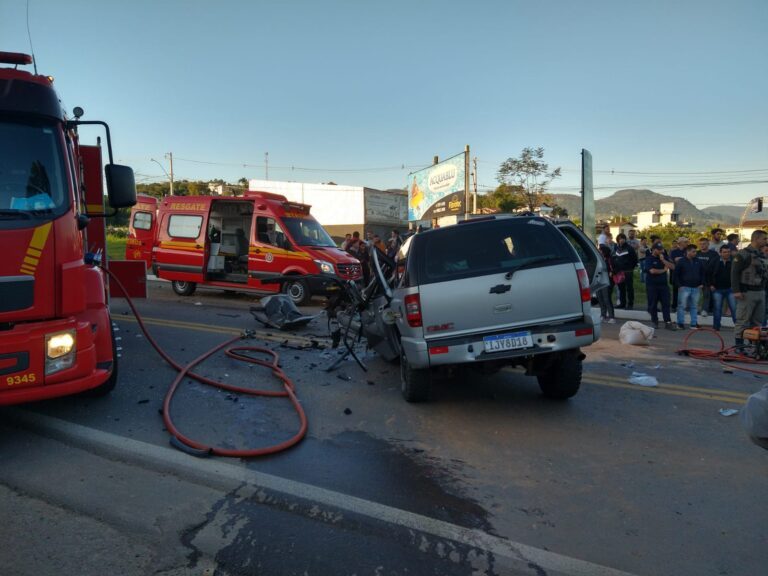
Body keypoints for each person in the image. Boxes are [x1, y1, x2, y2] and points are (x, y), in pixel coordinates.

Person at [732, 230, 768, 347]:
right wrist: (736, 291)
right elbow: (735, 273)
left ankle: (754, 346)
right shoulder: (743, 254)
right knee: (743, 320)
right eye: (764, 239)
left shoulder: (761, 255)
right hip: (747, 292)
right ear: (756, 239)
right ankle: (739, 346)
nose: (766, 241)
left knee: (757, 322)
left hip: (760, 292)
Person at [644, 241, 677, 330]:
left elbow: (673, 267)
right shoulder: (649, 258)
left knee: (666, 304)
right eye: (659, 250)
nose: (661, 251)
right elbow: (652, 271)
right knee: (653, 304)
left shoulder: (664, 257)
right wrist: (663, 270)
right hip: (652, 285)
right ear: (654, 250)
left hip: (664, 285)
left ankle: (668, 322)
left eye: (661, 249)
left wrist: (663, 260)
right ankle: (654, 322)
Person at [675, 243, 705, 329]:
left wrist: (702, 283)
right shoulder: (681, 261)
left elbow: (702, 273)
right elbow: (676, 274)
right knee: (682, 306)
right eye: (693, 251)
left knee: (694, 306)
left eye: (695, 251)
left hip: (696, 287)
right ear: (688, 252)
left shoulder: (698, 261)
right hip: (684, 287)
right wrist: (679, 285)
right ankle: (680, 323)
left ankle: (693, 323)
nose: (695, 253)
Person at [709, 245, 736, 331]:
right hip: (717, 289)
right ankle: (716, 327)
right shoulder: (714, 261)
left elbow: (738, 274)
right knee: (717, 309)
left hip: (730, 289)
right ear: (720, 253)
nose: (727, 254)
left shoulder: (734, 261)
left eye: (728, 252)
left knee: (734, 308)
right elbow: (708, 273)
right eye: (724, 252)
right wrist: (711, 285)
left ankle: (739, 328)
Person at [612, 233, 638, 309]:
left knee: (629, 288)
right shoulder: (616, 249)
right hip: (619, 272)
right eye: (620, 239)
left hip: (628, 272)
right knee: (621, 288)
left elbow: (635, 260)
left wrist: (630, 268)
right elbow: (615, 259)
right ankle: (622, 303)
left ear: (625, 239)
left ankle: (630, 304)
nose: (621, 240)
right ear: (617, 240)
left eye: (623, 238)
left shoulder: (630, 248)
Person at [696, 237, 719, 317]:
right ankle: (695, 309)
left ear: (708, 244)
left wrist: (713, 282)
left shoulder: (713, 254)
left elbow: (715, 268)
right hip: (696, 279)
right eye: (700, 244)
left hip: (708, 279)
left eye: (704, 244)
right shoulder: (696, 253)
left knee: (707, 296)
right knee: (696, 296)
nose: (702, 245)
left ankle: (705, 310)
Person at [597, 243, 616, 323]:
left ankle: (612, 317)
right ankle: (603, 315)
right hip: (599, 281)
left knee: (606, 298)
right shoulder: (598, 259)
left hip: (607, 281)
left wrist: (612, 272)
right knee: (600, 298)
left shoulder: (610, 259)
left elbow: (616, 268)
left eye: (600, 250)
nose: (599, 251)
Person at [670, 237, 687, 311]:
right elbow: (674, 260)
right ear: (680, 243)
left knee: (685, 291)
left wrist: (679, 258)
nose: (687, 243)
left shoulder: (688, 251)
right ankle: (674, 306)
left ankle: (684, 306)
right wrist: (683, 258)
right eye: (685, 242)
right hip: (676, 274)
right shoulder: (674, 252)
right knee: (676, 290)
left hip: (686, 274)